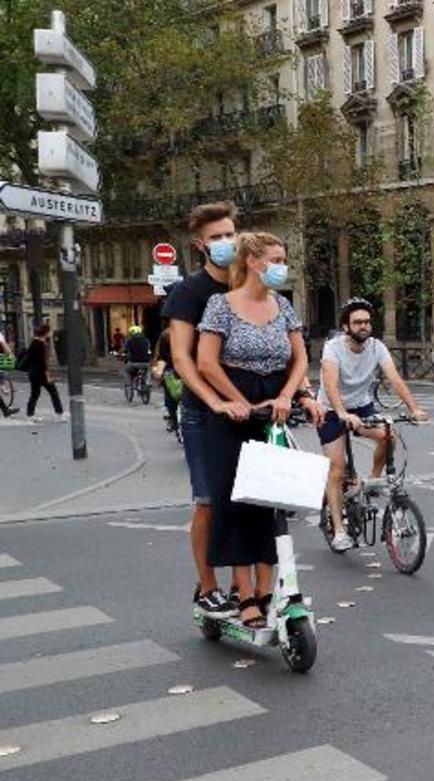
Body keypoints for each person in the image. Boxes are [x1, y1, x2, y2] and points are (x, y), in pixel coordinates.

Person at [196, 232, 311, 628]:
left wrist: (288, 395)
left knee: (270, 501)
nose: (282, 266)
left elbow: (300, 359)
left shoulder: (282, 305)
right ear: (252, 261)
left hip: (273, 406)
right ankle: (244, 593)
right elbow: (206, 363)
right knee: (235, 503)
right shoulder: (220, 305)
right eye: (276, 259)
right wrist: (235, 401)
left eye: (283, 258)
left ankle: (267, 589)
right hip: (233, 409)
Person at [163, 202, 248, 617]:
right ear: (200, 245)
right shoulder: (188, 292)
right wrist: (213, 400)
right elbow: (182, 358)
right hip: (202, 413)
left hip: (246, 410)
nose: (225, 242)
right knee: (209, 501)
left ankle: (242, 587)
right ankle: (207, 585)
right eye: (216, 237)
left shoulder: (246, 286)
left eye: (230, 234)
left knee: (246, 500)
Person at [318, 297, 430, 552]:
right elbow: (331, 384)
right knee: (337, 469)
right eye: (357, 322)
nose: (364, 326)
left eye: (367, 322)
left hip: (362, 405)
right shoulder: (333, 348)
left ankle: (372, 482)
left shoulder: (377, 347)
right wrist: (342, 413)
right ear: (346, 326)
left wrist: (414, 409)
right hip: (331, 410)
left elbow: (395, 378)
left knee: (388, 436)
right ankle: (338, 530)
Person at [24, 322, 64, 420]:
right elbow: (44, 362)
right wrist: (48, 376)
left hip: (33, 372)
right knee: (53, 392)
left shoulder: (33, 342)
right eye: (49, 331)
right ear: (46, 332)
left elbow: (30, 358)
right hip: (41, 373)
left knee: (35, 394)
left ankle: (30, 414)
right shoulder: (43, 344)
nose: (50, 333)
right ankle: (59, 414)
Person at [151, 325, 180, 432]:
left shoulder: (166, 335)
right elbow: (162, 357)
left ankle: (174, 420)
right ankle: (173, 420)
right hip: (173, 372)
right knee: (170, 397)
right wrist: (158, 371)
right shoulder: (166, 335)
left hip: (180, 371)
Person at [121, 325, 152, 393]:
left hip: (133, 362)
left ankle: (128, 386)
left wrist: (122, 355)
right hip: (145, 362)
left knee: (127, 371)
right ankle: (147, 382)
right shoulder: (146, 340)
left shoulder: (129, 341)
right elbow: (149, 351)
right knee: (148, 370)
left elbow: (125, 350)